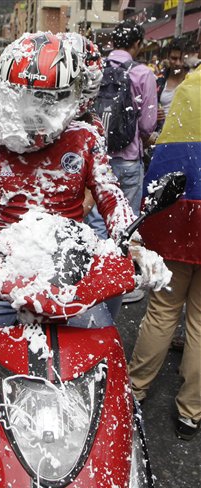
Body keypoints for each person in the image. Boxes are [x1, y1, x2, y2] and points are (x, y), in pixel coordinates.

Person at [0, 33, 169, 488]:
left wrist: (136, 244)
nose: (30, 113)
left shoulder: (84, 139)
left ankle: (132, 480)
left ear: (69, 100)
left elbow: (111, 199)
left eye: (44, 101)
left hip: (74, 281)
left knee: (116, 392)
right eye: (22, 98)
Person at [128, 64, 201, 441]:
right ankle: (190, 412)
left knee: (162, 310)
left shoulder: (190, 87)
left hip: (183, 215)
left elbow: (169, 160)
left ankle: (135, 390)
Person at [86, 19, 158, 306]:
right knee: (125, 223)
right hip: (128, 160)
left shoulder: (96, 70)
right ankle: (120, 285)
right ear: (137, 43)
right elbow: (148, 124)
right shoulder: (143, 73)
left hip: (98, 159)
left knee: (96, 223)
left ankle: (92, 279)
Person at [156, 38, 188, 130]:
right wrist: (153, 114)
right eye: (174, 58)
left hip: (188, 136)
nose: (178, 63)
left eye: (181, 59)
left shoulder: (194, 79)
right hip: (163, 135)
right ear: (168, 56)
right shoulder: (158, 81)